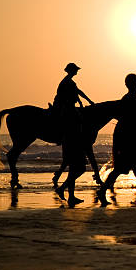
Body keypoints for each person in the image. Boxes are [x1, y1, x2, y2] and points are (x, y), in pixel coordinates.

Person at [99, 74, 136, 206]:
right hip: (135, 138)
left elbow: (124, 120)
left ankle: (102, 190)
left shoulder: (124, 99)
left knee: (120, 169)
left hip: (124, 137)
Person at [53, 63, 94, 205]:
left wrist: (86, 101)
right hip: (73, 140)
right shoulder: (67, 84)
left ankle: (70, 196)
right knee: (80, 168)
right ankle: (63, 189)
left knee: (74, 169)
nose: (77, 71)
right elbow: (74, 96)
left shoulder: (69, 82)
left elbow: (78, 93)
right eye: (75, 69)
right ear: (72, 71)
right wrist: (81, 105)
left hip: (70, 132)